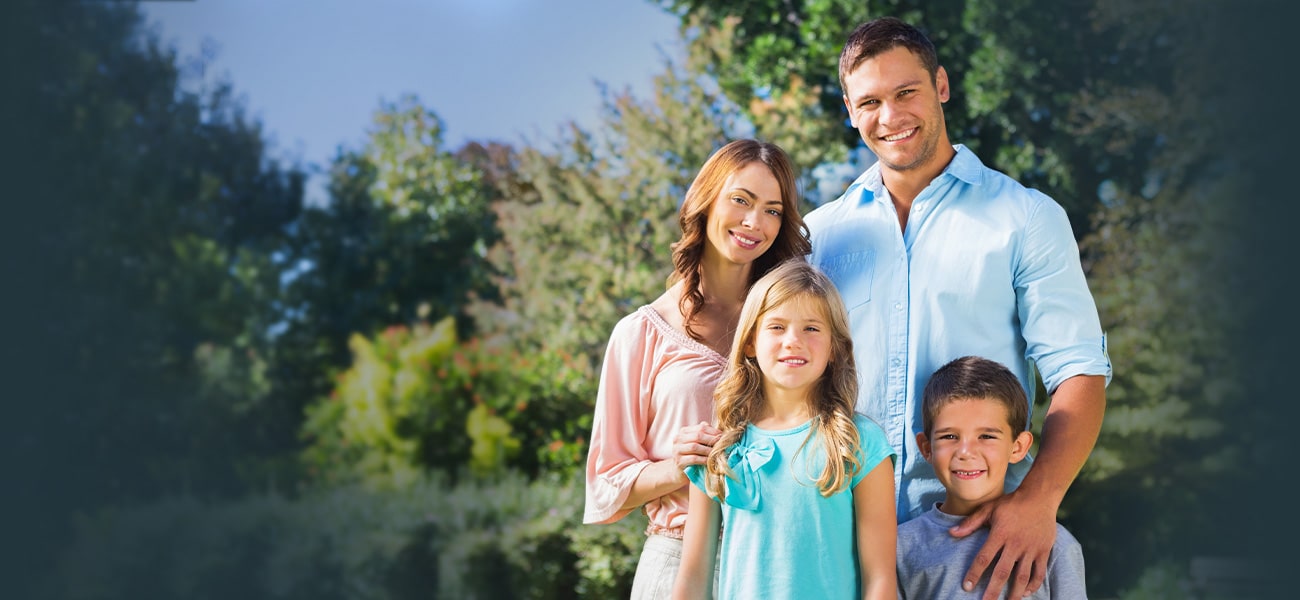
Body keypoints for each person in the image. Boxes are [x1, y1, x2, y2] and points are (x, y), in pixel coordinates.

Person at [803, 16, 1111, 600]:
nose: (890, 116)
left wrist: (1039, 500)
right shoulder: (818, 236)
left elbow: (1079, 372)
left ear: (941, 85)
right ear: (849, 110)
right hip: (840, 543)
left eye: (906, 92)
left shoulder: (1026, 217)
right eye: (869, 102)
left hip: (981, 548)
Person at [583, 139, 812, 599]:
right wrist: (680, 465)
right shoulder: (640, 333)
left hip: (781, 562)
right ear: (705, 202)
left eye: (772, 210)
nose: (754, 222)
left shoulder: (797, 324)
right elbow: (606, 485)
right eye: (741, 200)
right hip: (678, 561)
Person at [672, 259, 897, 600]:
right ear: (750, 342)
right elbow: (692, 579)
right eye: (777, 327)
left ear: (835, 348)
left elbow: (880, 578)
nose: (793, 341)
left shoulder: (861, 442)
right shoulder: (719, 446)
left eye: (812, 328)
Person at [898, 356, 1087, 598]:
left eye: (986, 436)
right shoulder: (901, 547)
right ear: (926, 448)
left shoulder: (1052, 543)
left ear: (1018, 447)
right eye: (949, 437)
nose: (966, 452)